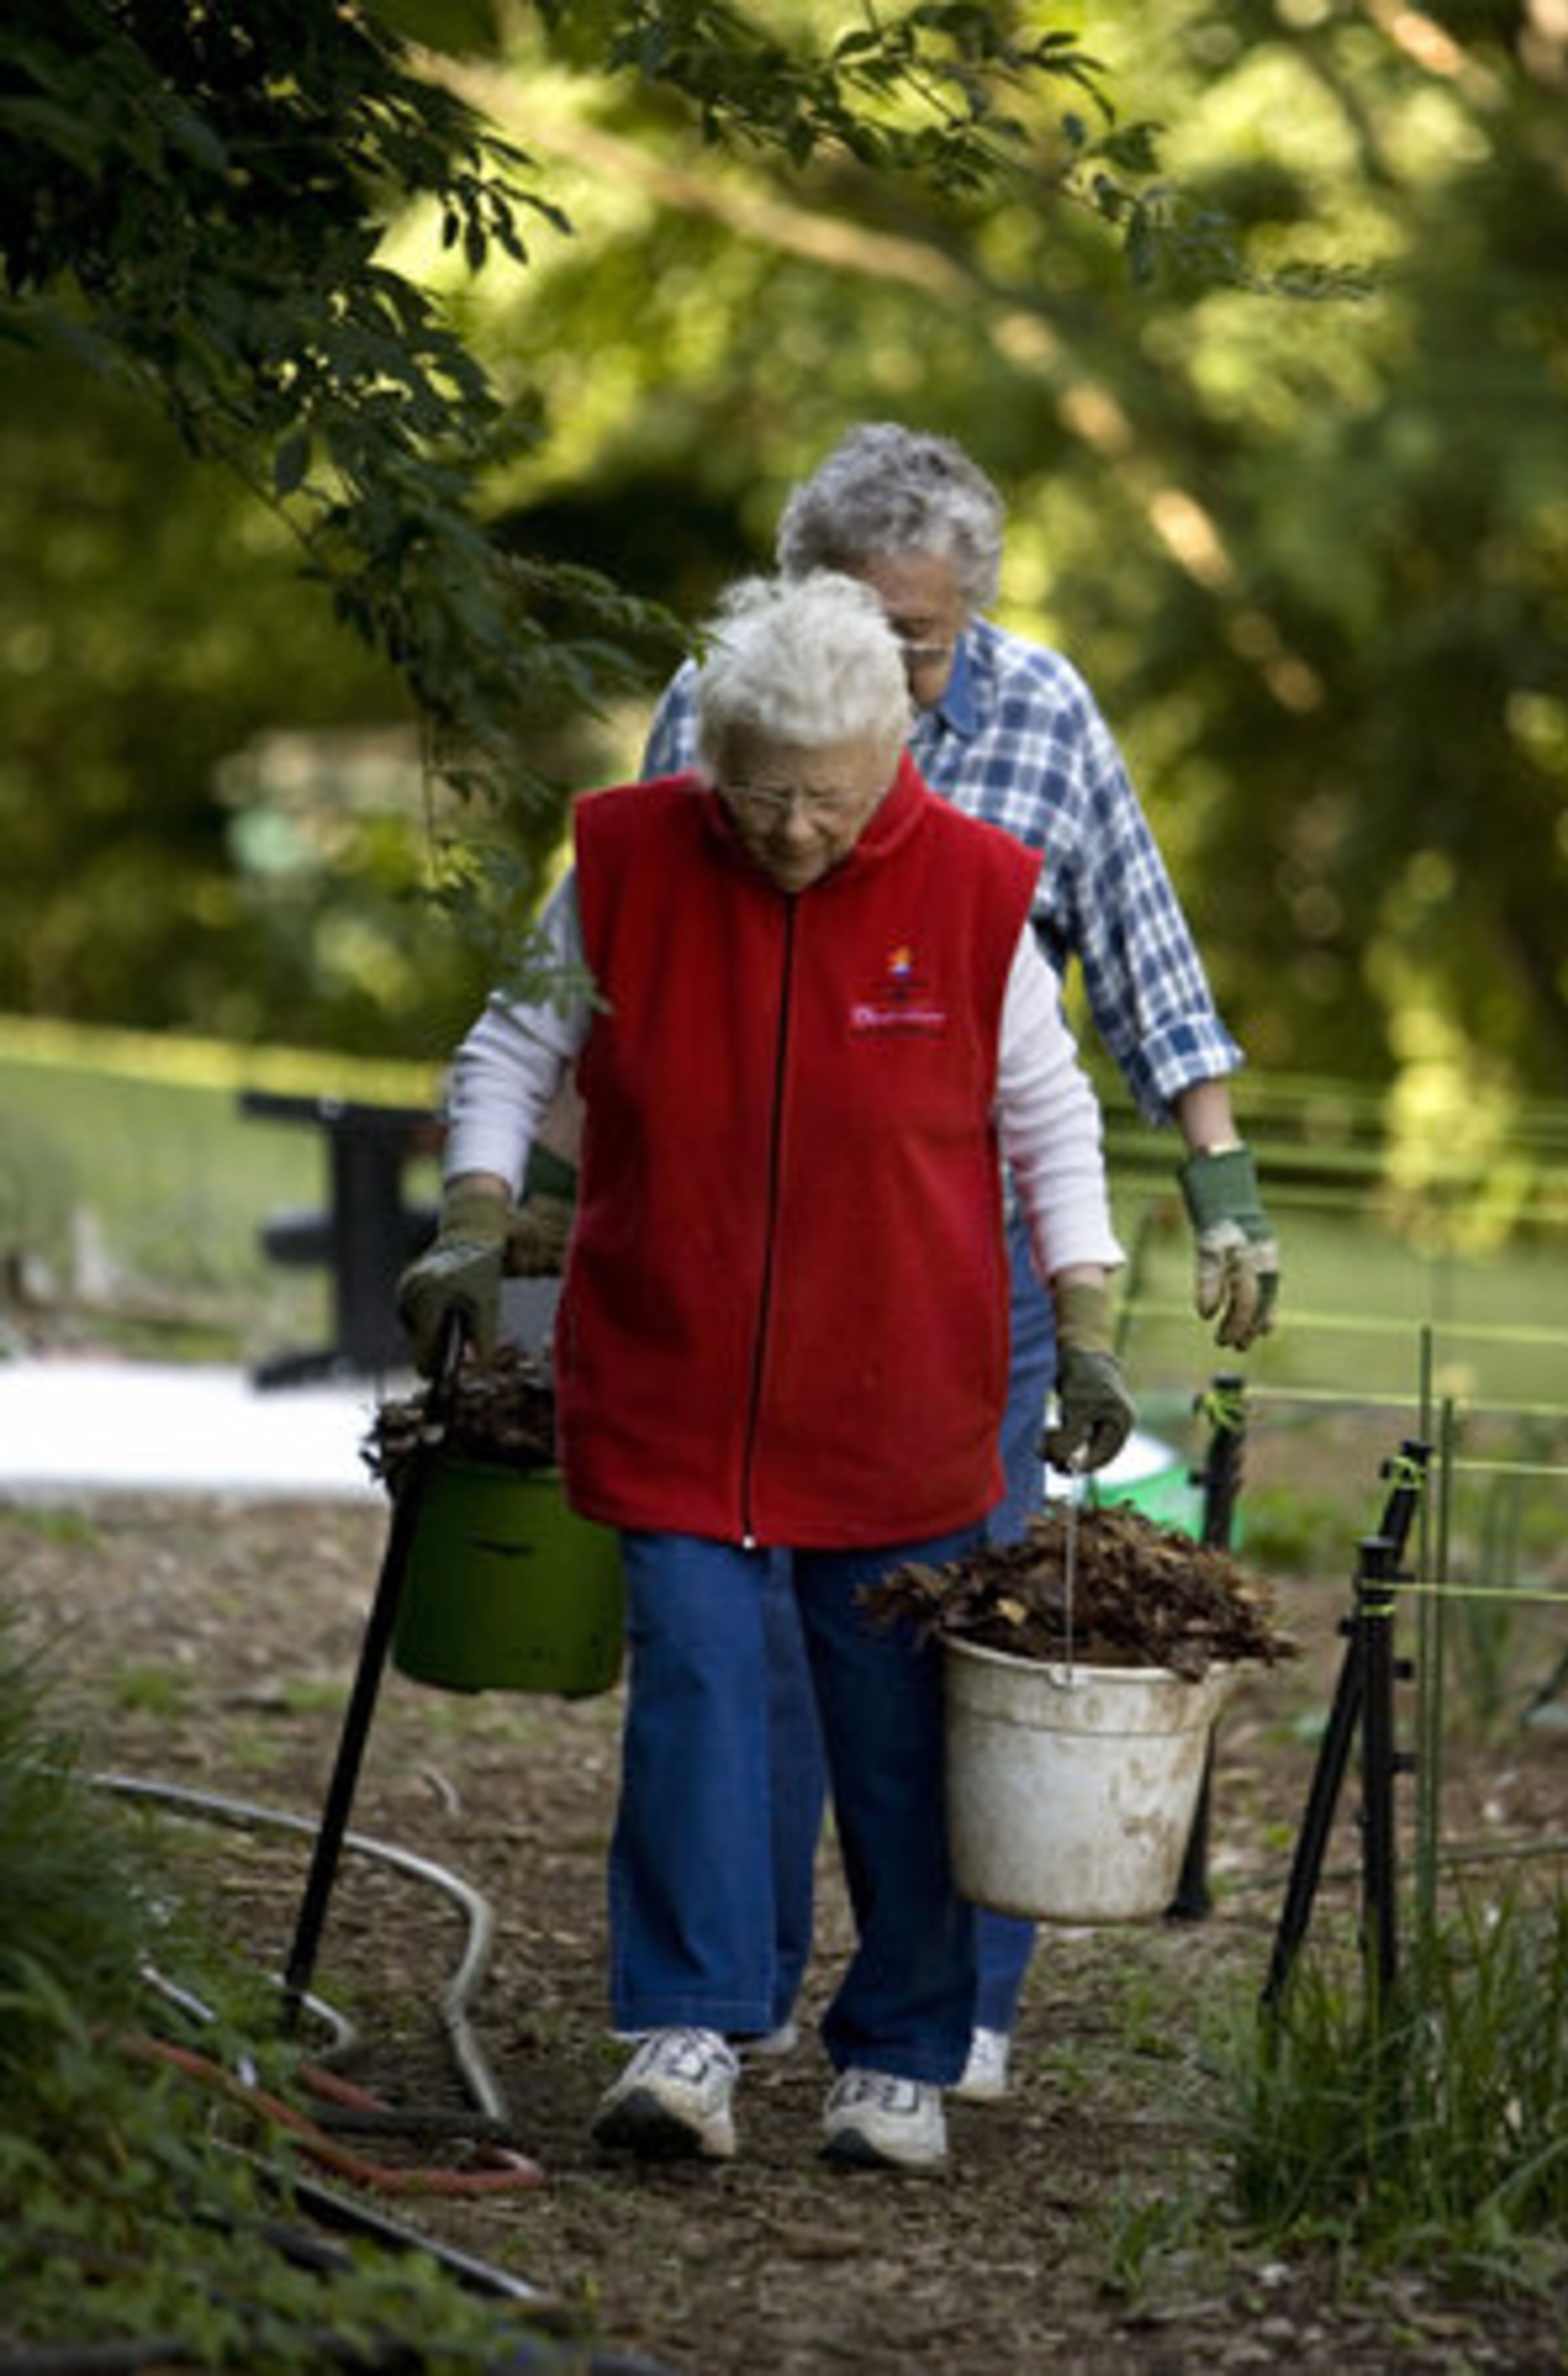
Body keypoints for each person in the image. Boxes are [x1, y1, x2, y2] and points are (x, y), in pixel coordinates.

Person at [398, 570, 1133, 2173]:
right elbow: (514, 1049)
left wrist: (1083, 1321)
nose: (789, 832)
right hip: (676, 1384)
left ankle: (901, 2060)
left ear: (892, 760)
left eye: (824, 801)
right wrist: (473, 1212)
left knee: (899, 1744)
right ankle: (690, 2028)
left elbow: (1053, 1127)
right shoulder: (628, 861)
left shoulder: (979, 891)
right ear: (707, 756)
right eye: (756, 794)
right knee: (698, 1699)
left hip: (902, 1403)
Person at [622, 424, 1282, 2105]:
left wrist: (1224, 1188)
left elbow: (1143, 958)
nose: (885, 664)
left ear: (969, 620)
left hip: (956, 1251)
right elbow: (630, 959)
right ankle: (731, 1997)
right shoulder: (726, 707)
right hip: (750, 1251)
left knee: (945, 1623)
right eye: (855, 617)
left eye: (919, 637)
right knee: (744, 1639)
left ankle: (953, 2013)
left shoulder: (1046, 716)